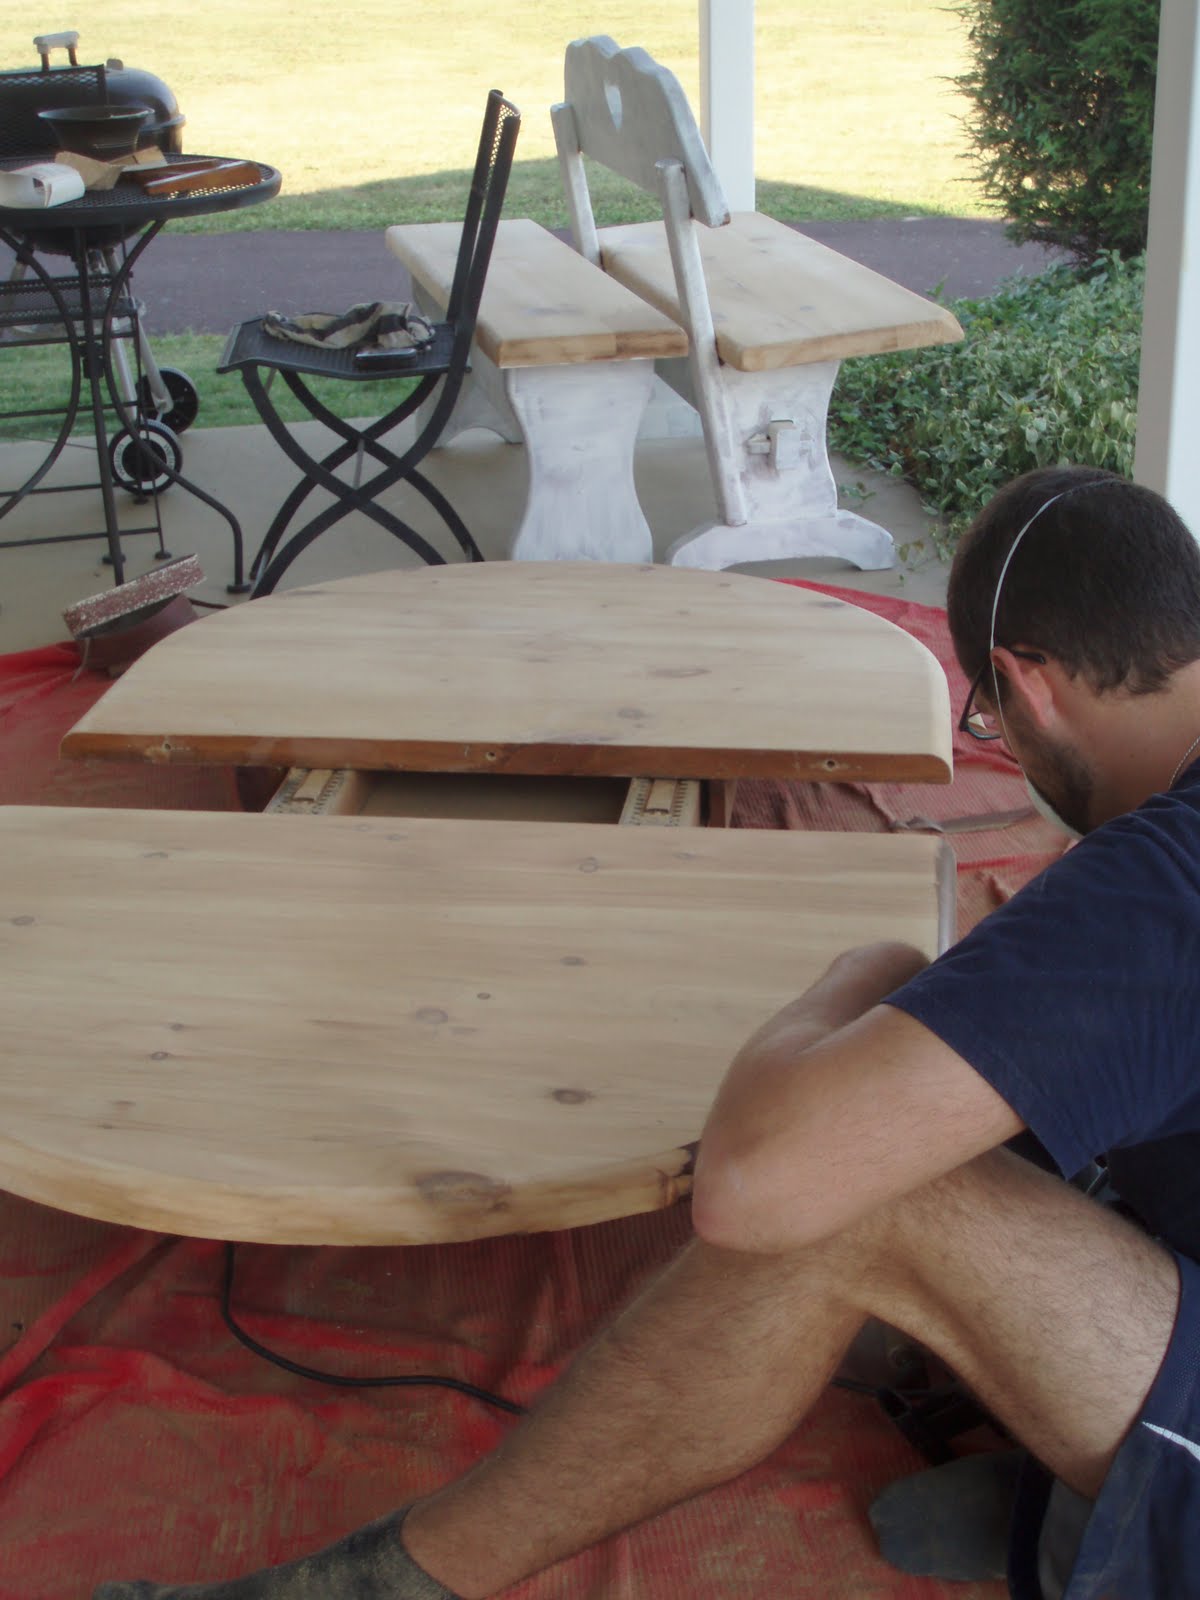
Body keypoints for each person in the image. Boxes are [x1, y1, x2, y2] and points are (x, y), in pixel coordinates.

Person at [96, 464, 1200, 1600]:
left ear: (1025, 686)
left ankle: (388, 1585)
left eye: (987, 718)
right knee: (978, 1112)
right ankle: (1075, 1466)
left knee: (864, 1194)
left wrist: (878, 968)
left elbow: (754, 1184)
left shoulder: (1164, 884)